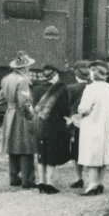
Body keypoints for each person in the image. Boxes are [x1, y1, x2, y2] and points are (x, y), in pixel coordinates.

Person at [73, 62, 109, 195]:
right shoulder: (108, 87)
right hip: (105, 125)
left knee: (91, 156)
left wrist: (79, 112)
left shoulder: (90, 88)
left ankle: (92, 185)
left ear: (94, 73)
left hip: (91, 125)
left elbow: (84, 108)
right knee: (103, 156)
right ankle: (100, 183)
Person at [0, 53, 38, 188]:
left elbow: (0, 99)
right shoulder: (23, 81)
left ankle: (14, 177)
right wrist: (32, 115)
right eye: (28, 66)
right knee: (26, 146)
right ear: (24, 68)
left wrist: (11, 105)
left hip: (10, 114)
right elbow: (25, 102)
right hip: (21, 116)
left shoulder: (6, 79)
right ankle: (28, 180)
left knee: (13, 145)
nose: (29, 69)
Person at [31, 65, 72, 194]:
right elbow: (65, 110)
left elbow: (34, 107)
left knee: (41, 153)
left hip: (39, 125)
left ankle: (41, 182)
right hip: (54, 126)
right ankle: (49, 184)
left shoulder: (36, 89)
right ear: (55, 75)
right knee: (51, 155)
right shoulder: (61, 90)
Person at [63, 60, 91, 189]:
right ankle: (92, 179)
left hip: (76, 124)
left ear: (76, 75)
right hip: (91, 123)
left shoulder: (71, 88)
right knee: (89, 151)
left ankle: (79, 178)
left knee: (77, 152)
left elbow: (66, 105)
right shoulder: (92, 88)